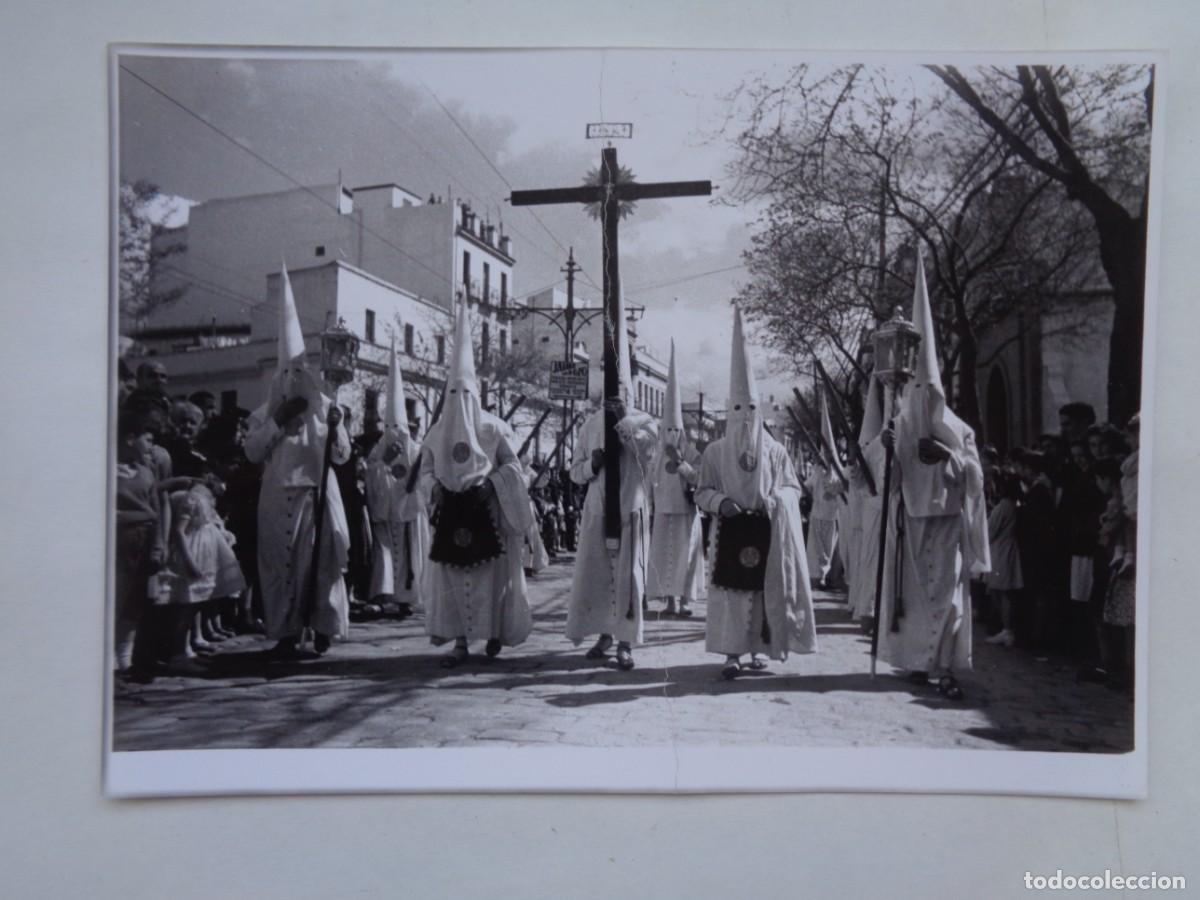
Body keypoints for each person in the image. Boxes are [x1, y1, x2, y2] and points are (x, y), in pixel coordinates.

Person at [865, 254, 989, 700]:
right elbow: (886, 478)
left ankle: (944, 666)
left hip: (946, 520)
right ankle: (919, 662)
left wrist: (949, 456)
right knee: (915, 598)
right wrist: (887, 448)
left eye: (928, 391)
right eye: (916, 390)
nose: (921, 397)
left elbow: (975, 477)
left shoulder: (959, 430)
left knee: (948, 598)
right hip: (909, 520)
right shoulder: (899, 424)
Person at [696, 310, 817, 679]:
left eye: (751, 408)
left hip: (766, 529)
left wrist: (776, 499)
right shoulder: (714, 452)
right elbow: (701, 491)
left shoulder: (776, 451)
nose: (745, 417)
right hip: (728, 529)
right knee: (731, 596)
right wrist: (721, 503)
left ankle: (760, 649)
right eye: (738, 409)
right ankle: (731, 652)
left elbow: (793, 487)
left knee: (764, 591)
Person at [243, 263, 352, 658]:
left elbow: (341, 456)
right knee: (279, 567)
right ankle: (285, 632)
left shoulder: (325, 413)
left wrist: (337, 427)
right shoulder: (262, 415)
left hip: (315, 497)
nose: (293, 378)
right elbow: (253, 451)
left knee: (320, 568)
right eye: (286, 372)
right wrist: (278, 419)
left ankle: (323, 628)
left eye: (298, 372)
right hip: (276, 499)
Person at [418, 301, 534, 667]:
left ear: (476, 393)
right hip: (451, 513)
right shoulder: (436, 432)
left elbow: (515, 466)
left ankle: (494, 633)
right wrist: (434, 489)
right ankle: (460, 642)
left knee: (490, 581)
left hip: (488, 514)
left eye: (466, 394)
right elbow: (424, 472)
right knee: (454, 580)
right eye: (454, 394)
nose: (461, 402)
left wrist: (493, 485)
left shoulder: (494, 427)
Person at [566, 290, 658, 671]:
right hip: (598, 509)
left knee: (627, 577)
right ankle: (605, 634)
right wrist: (592, 466)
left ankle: (625, 641)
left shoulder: (646, 424)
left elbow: (647, 457)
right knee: (598, 576)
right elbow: (574, 470)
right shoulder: (588, 424)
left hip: (630, 510)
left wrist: (622, 425)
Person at [365, 337, 429, 619]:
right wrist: (384, 465)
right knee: (385, 556)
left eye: (400, 427)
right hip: (386, 514)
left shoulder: (417, 450)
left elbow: (425, 477)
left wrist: (413, 492)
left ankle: (407, 598)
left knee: (409, 558)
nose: (396, 433)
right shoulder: (378, 451)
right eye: (390, 427)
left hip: (409, 517)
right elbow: (371, 474)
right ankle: (385, 595)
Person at [646, 340, 706, 618]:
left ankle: (683, 601)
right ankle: (668, 600)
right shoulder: (654, 456)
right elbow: (648, 484)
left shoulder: (691, 452)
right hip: (662, 513)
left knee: (685, 557)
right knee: (664, 557)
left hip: (685, 513)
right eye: (666, 429)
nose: (670, 433)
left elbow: (699, 477)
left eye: (675, 429)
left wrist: (680, 462)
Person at [114, 407, 167, 679]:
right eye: (147, 439)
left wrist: (158, 546)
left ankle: (125, 660)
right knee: (115, 598)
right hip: (116, 545)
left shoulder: (145, 473)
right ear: (129, 439)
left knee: (135, 602)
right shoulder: (107, 472)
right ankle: (108, 660)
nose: (152, 445)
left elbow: (156, 511)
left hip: (143, 544)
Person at [847, 376, 885, 624]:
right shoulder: (871, 450)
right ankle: (868, 611)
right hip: (870, 516)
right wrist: (856, 465)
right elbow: (856, 480)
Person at [984, 469, 1024, 647]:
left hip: (1000, 550)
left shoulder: (1002, 507)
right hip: (1008, 549)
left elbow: (990, 531)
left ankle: (1007, 630)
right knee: (1003, 591)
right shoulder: (1014, 505)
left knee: (1002, 591)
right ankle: (1007, 629)